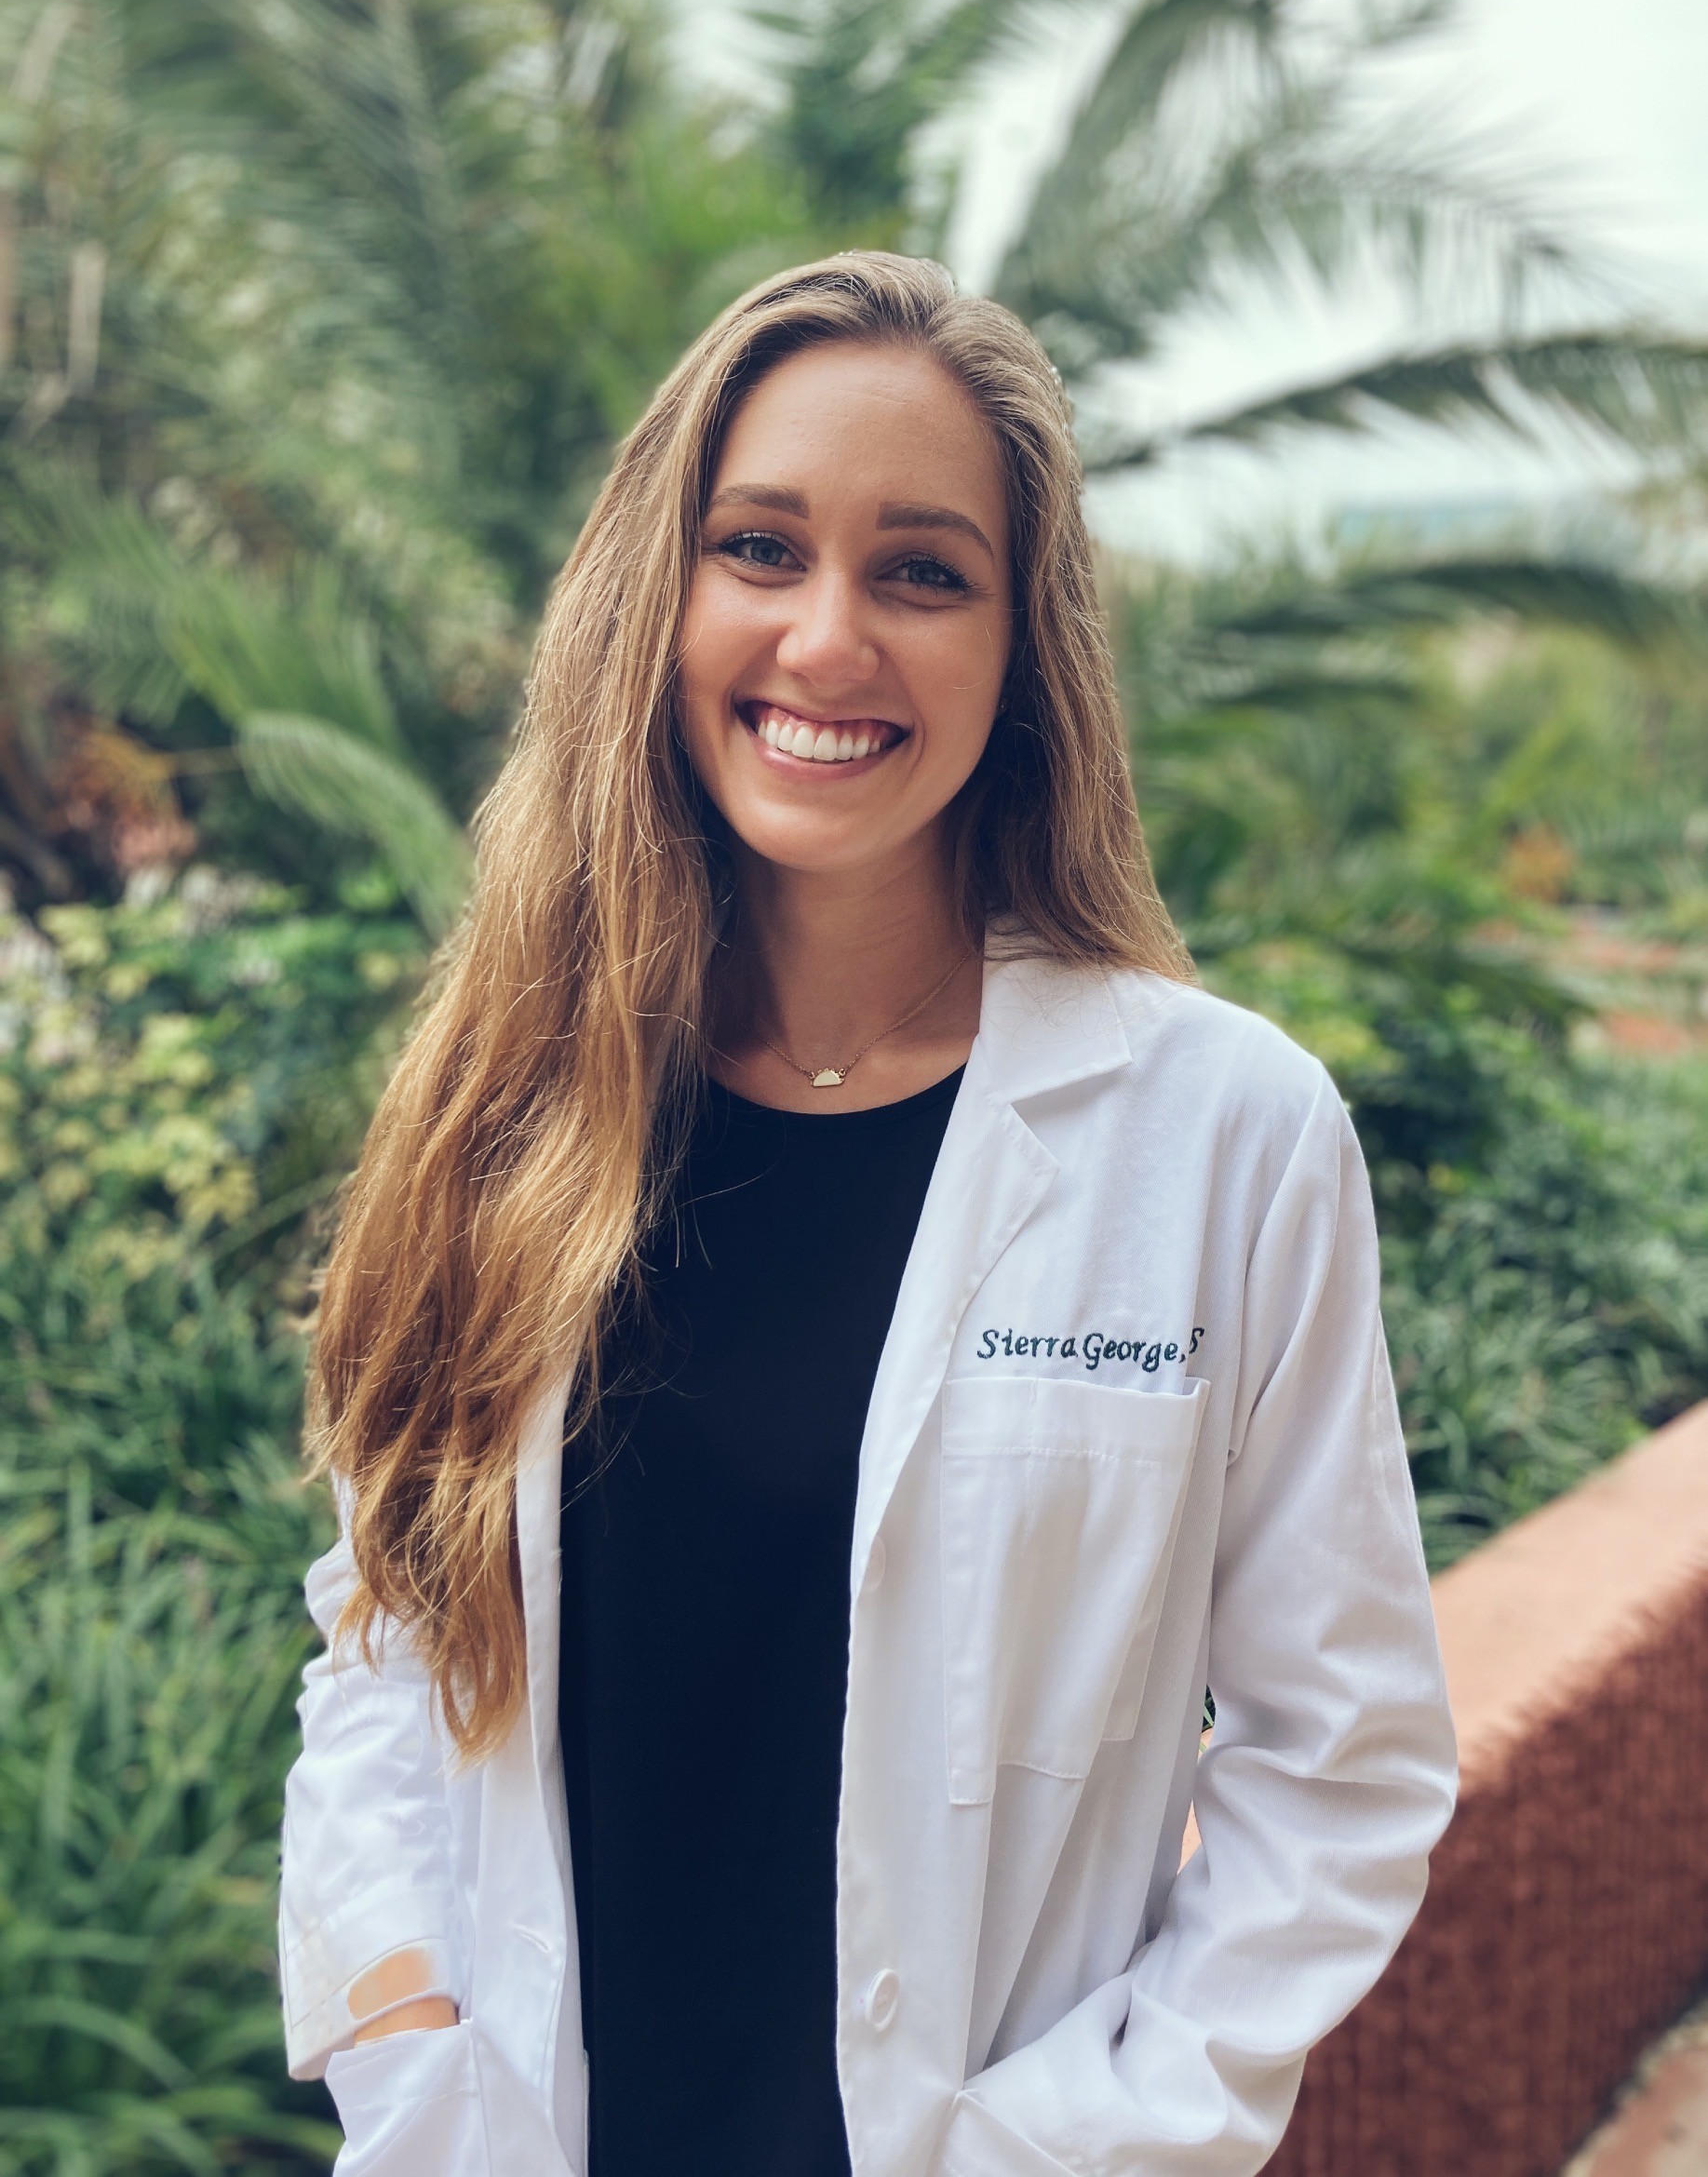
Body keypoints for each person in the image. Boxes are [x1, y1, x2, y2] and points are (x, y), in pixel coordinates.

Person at [278, 250, 1456, 2177]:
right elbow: (392, 1634)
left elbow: (1344, 1769)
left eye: (922, 571)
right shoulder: (511, 1108)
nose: (829, 640)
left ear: (1021, 644)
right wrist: (404, 2028)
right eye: (759, 547)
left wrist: (1084, 2142)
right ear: (658, 600)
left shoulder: (1221, 1135)